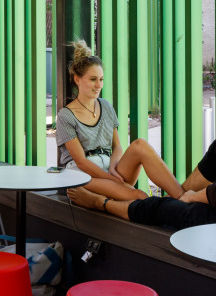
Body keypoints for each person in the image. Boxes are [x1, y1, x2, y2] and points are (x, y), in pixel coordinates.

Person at [68, 64, 216, 230]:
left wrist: (190, 198)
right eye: (93, 79)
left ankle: (100, 203)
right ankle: (178, 198)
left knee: (157, 207)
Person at [56, 39, 184, 210]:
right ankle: (167, 212)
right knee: (139, 196)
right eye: (93, 79)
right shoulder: (66, 116)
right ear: (77, 79)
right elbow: (81, 162)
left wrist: (114, 169)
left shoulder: (106, 106)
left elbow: (117, 147)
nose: (99, 85)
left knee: (140, 145)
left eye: (101, 79)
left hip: (110, 168)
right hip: (84, 176)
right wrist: (111, 178)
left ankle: (182, 198)